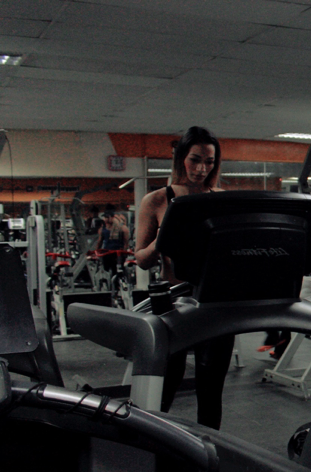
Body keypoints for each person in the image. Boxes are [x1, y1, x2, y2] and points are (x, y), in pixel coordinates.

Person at [135, 126, 234, 430]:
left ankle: (208, 450)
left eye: (209, 162)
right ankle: (152, 442)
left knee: (211, 385)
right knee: (167, 380)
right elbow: (141, 259)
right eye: (195, 160)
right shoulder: (156, 200)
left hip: (214, 301)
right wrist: (162, 238)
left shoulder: (222, 198)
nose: (202, 169)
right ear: (180, 158)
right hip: (174, 303)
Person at [96, 204, 130, 276]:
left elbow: (126, 242)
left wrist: (124, 253)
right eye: (105, 217)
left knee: (117, 271)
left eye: (107, 217)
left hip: (117, 253)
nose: (106, 219)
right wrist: (96, 252)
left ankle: (118, 283)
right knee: (106, 270)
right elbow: (99, 242)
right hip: (107, 252)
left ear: (113, 217)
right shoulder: (102, 229)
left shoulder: (122, 228)